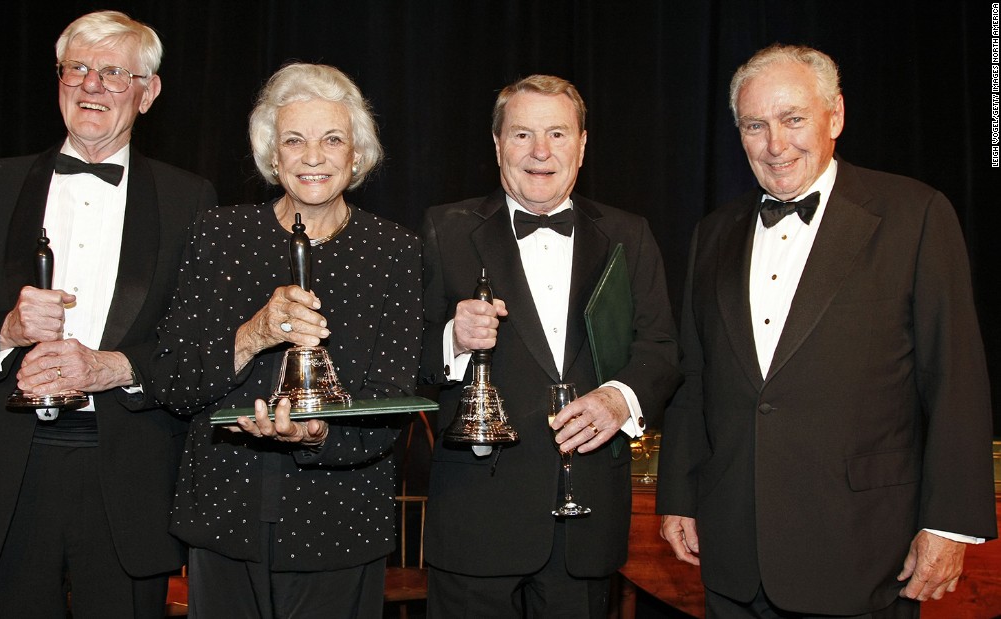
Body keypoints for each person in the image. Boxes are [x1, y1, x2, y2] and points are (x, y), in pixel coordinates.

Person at [656, 44, 997, 618]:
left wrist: (950, 525)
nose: (775, 143)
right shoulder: (712, 233)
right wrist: (678, 498)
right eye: (755, 125)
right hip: (733, 555)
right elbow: (695, 380)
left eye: (793, 119)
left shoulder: (914, 214)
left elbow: (955, 378)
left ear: (835, 116)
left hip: (863, 553)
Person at [0, 10, 217, 618]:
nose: (91, 85)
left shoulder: (192, 200)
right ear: (58, 79)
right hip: (7, 478)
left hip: (128, 481)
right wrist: (4, 330)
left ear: (148, 92)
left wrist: (109, 367)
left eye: (113, 72)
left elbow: (196, 350)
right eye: (76, 68)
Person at [151, 62, 421, 618]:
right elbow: (171, 378)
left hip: (340, 525)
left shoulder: (395, 250)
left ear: (357, 155)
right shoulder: (217, 235)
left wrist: (320, 431)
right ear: (273, 157)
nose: (314, 156)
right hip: (225, 519)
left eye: (332, 140)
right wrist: (254, 334)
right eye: (294, 140)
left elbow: (392, 398)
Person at [419, 74, 682, 618]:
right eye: (522, 135)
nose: (540, 152)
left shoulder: (628, 234)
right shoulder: (443, 229)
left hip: (584, 523)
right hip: (476, 520)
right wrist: (452, 338)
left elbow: (659, 348)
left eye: (558, 134)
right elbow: (399, 360)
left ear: (583, 145)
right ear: (497, 144)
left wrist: (619, 400)